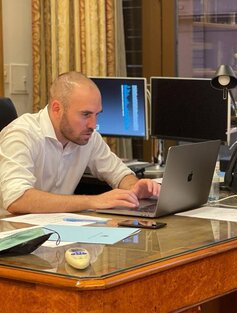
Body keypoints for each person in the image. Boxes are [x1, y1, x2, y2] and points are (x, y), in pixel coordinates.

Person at [0, 71, 160, 214]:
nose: (93, 124)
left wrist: (135, 187)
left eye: (97, 114)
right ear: (57, 109)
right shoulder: (21, 134)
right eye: (85, 114)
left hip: (56, 232)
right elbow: (16, 199)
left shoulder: (88, 136)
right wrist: (94, 201)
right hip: (12, 235)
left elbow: (119, 174)